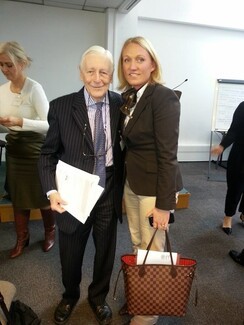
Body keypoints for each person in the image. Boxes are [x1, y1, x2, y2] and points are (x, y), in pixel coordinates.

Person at [38, 45, 124, 325]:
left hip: (109, 190)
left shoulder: (122, 104)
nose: (97, 78)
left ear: (111, 74)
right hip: (73, 194)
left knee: (105, 254)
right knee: (71, 252)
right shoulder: (61, 106)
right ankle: (70, 295)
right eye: (90, 71)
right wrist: (51, 191)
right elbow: (47, 154)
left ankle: (98, 298)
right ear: (80, 72)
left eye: (104, 72)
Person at [117, 36, 183, 325]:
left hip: (155, 189)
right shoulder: (131, 95)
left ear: (152, 63)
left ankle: (147, 312)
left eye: (140, 59)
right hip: (134, 183)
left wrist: (164, 206)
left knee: (153, 249)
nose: (132, 65)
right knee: (137, 243)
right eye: (127, 59)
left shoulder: (162, 96)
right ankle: (140, 294)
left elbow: (168, 155)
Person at [0, 41, 55, 258]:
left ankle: (50, 232)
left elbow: (50, 124)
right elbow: (7, 125)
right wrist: (6, 124)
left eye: (9, 65)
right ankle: (22, 238)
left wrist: (21, 121)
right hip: (15, 149)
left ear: (22, 63)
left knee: (43, 196)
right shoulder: (2, 91)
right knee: (19, 198)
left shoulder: (34, 88)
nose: (4, 70)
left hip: (35, 150)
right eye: (1, 65)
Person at [211, 101, 244, 235]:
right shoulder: (243, 106)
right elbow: (234, 130)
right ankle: (228, 217)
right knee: (235, 188)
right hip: (241, 156)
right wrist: (222, 145)